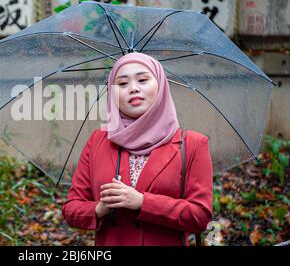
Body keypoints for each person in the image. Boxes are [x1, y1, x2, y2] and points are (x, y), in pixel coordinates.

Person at [61, 52, 213, 246]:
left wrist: (142, 202)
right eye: (122, 84)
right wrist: (99, 209)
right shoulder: (99, 141)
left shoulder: (192, 144)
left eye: (142, 80)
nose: (133, 89)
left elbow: (200, 216)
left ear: (160, 85)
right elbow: (71, 210)